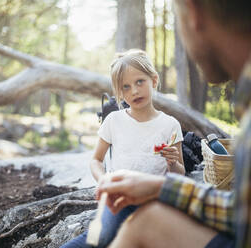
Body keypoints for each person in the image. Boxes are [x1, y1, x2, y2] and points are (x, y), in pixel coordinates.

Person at [97, 0, 251, 247]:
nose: (134, 90)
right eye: (125, 86)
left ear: (193, 12)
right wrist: (162, 187)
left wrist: (168, 178)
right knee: (136, 224)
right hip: (126, 203)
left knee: (138, 224)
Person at [61, 49, 185, 248]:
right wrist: (105, 182)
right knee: (99, 236)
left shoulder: (170, 125)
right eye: (125, 87)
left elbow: (180, 174)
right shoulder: (114, 121)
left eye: (139, 82)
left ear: (154, 80)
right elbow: (95, 160)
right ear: (119, 93)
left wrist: (173, 162)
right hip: (118, 197)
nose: (134, 91)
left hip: (155, 201)